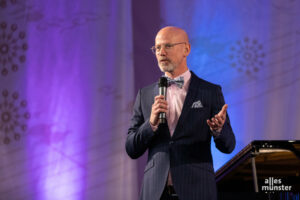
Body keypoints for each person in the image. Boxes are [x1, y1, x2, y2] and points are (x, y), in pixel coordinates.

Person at [125, 26, 236, 200]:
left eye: (167, 46)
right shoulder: (145, 95)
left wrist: (218, 130)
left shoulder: (210, 92)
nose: (161, 52)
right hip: (155, 192)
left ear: (187, 49)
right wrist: (151, 124)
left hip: (197, 189)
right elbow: (131, 148)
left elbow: (228, 146)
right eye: (157, 48)